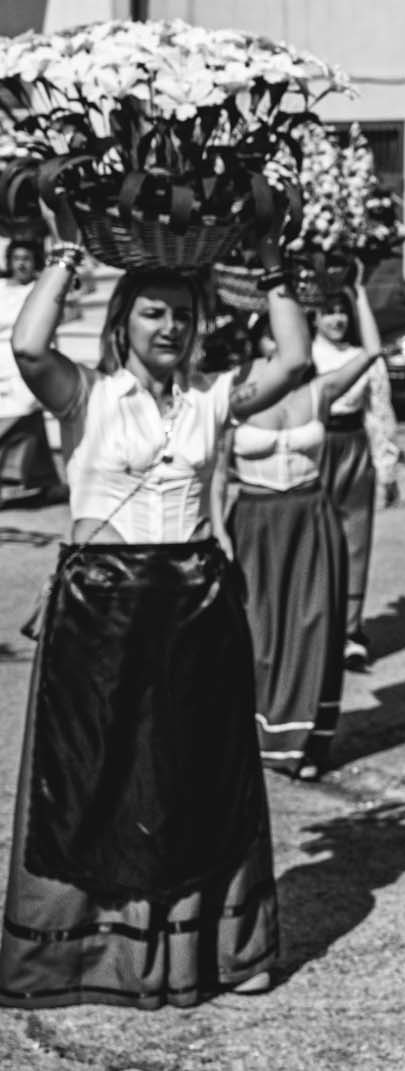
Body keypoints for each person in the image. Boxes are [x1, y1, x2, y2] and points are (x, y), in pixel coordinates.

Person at [1, 204, 312, 1008]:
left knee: (193, 779)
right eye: (152, 310)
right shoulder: (86, 396)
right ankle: (82, 955)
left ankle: (207, 954)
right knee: (93, 779)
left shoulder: (210, 397)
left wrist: (273, 265)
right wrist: (68, 251)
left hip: (194, 604)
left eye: (182, 312)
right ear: (122, 322)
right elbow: (29, 345)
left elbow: (296, 362)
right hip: (100, 606)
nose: (170, 324)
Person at [226, 286, 384, 781]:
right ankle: (252, 734)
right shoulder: (231, 392)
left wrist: (358, 290)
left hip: (311, 516)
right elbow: (212, 474)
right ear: (258, 342)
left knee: (313, 625)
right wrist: (218, 533)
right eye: (275, 334)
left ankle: (305, 740)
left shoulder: (319, 391)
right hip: (253, 520)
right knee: (256, 631)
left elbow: (374, 352)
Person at [313, 293, 401, 672]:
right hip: (316, 446)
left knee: (355, 539)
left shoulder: (361, 358)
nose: (336, 320)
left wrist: (386, 468)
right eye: (327, 312)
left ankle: (350, 631)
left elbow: (378, 412)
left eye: (341, 312)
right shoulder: (306, 356)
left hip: (353, 447)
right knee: (315, 540)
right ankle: (317, 626)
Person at [0, 240, 63, 506]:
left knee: (22, 417)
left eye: (27, 258)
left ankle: (15, 481)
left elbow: (47, 331)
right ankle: (44, 481)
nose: (22, 263)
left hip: (24, 360)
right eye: (17, 258)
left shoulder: (37, 291)